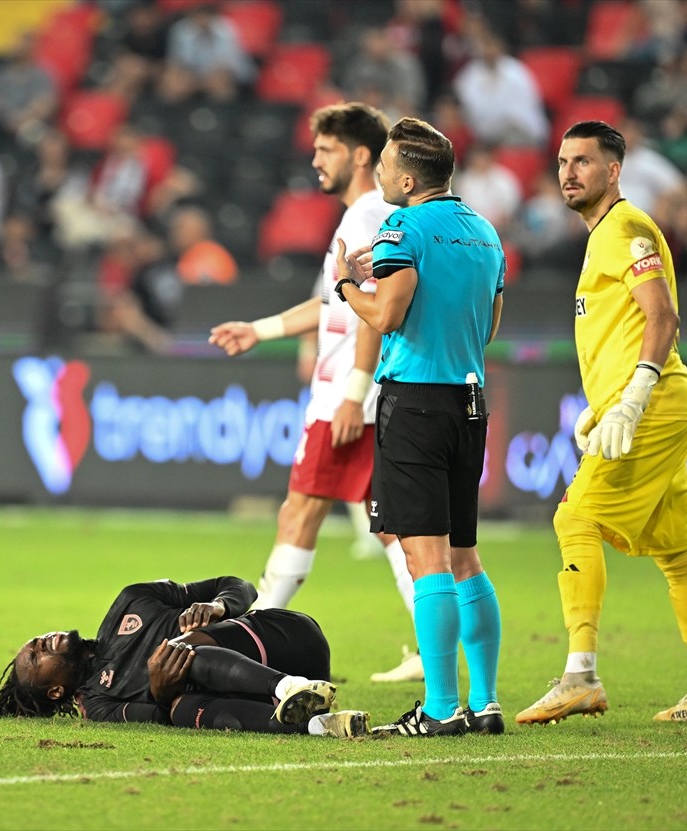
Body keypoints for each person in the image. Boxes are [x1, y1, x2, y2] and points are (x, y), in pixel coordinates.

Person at [516, 121, 687, 726]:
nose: (568, 172)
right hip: (650, 406)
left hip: (656, 405)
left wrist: (635, 395)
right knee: (678, 556)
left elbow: (661, 318)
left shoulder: (628, 230)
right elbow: (628, 332)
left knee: (573, 517)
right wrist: (603, 403)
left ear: (614, 171)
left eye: (583, 161)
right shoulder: (604, 236)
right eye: (562, 161)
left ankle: (580, 676)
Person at [208, 103, 421, 685]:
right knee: (392, 528)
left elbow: (374, 312)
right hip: (364, 393)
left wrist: (353, 391)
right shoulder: (366, 212)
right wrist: (261, 330)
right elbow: (334, 303)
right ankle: (431, 642)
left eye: (325, 149)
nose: (315, 159)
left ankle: (257, 638)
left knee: (299, 509)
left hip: (346, 398)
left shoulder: (368, 213)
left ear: (357, 155)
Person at [337, 116, 505, 737]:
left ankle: (438, 709)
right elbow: (488, 327)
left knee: (425, 558)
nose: (378, 173)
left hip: (416, 404)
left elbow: (385, 313)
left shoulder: (401, 227)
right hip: (469, 402)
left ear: (407, 178)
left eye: (383, 165)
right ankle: (484, 702)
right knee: (465, 556)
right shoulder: (486, 233)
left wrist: (346, 284)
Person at [0, 575, 369, 738]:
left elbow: (240, 586)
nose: (41, 642)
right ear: (55, 691)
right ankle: (320, 725)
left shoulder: (131, 601)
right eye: (35, 657)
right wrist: (161, 692)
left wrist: (219, 606)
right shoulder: (98, 704)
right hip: (253, 701)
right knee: (179, 705)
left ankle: (294, 687)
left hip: (288, 637)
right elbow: (158, 716)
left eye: (35, 641)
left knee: (181, 650)